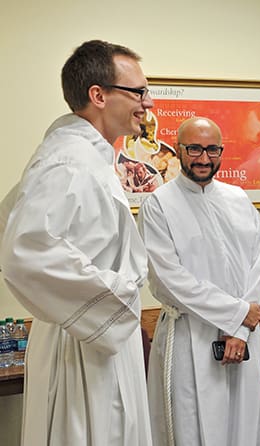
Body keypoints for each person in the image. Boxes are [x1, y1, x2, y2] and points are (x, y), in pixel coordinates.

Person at [0, 40, 154, 445]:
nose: (148, 102)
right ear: (98, 95)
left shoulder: (89, 157)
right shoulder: (69, 162)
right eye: (137, 91)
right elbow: (23, 252)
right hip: (83, 342)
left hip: (100, 334)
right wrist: (115, 297)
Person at [138, 116, 260, 445]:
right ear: (179, 150)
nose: (203, 158)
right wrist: (237, 314)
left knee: (243, 423)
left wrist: (239, 329)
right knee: (193, 428)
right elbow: (169, 279)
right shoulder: (159, 205)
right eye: (194, 149)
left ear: (222, 151)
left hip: (243, 339)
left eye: (212, 149)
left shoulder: (239, 200)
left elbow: (259, 266)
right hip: (189, 336)